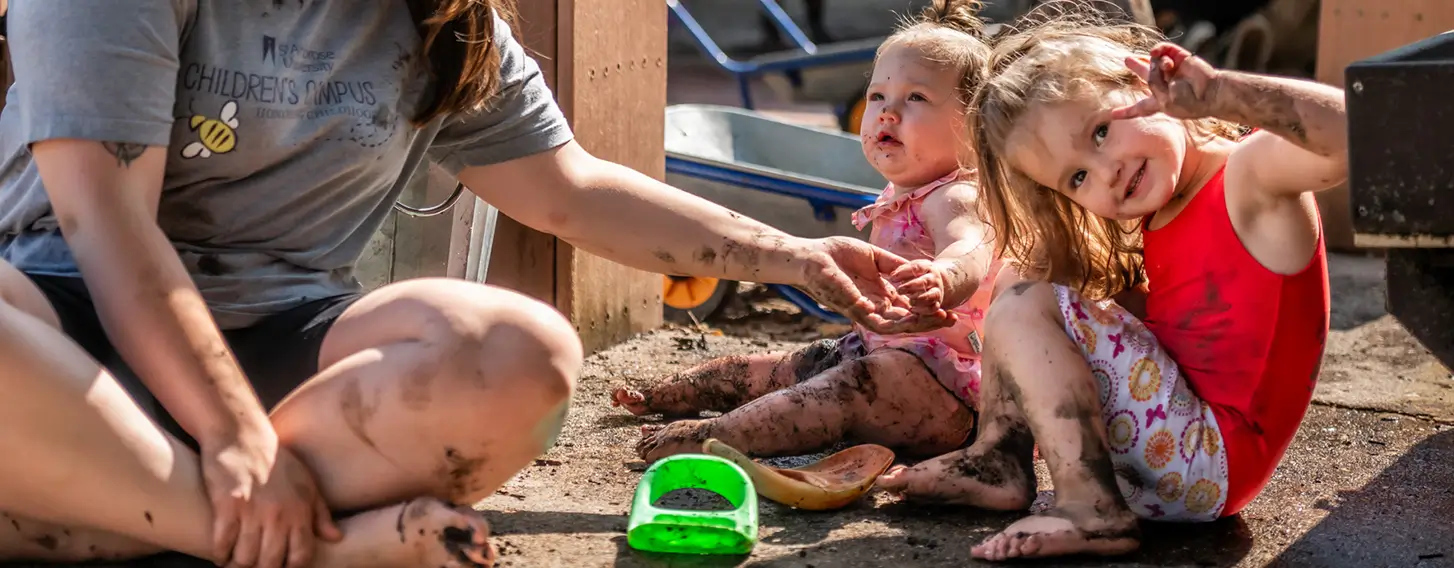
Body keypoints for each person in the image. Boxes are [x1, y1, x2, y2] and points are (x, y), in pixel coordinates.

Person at [0, 1, 928, 566]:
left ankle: (110, 508)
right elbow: (106, 226)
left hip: (284, 334)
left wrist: (796, 256)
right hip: (61, 329)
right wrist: (237, 440)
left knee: (521, 353)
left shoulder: (449, 16)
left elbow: (566, 190)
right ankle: (270, 540)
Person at [873, 4, 1341, 561]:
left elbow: (1355, 132)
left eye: (1100, 132)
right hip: (1176, 456)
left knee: (1032, 299)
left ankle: (1090, 510)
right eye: (1077, 177)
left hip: (1208, 459)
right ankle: (998, 455)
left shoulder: (1248, 179)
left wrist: (1224, 93)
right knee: (1025, 274)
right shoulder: (1165, 208)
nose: (1105, 171)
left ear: (1141, 81)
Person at [622, 0, 1010, 465]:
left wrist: (945, 277)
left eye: (916, 99)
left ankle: (716, 437)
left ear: (976, 125)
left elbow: (973, 246)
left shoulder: (957, 196)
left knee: (832, 394)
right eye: (877, 97)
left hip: (945, 388)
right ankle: (671, 392)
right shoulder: (910, 188)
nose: (888, 113)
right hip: (884, 355)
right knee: (784, 368)